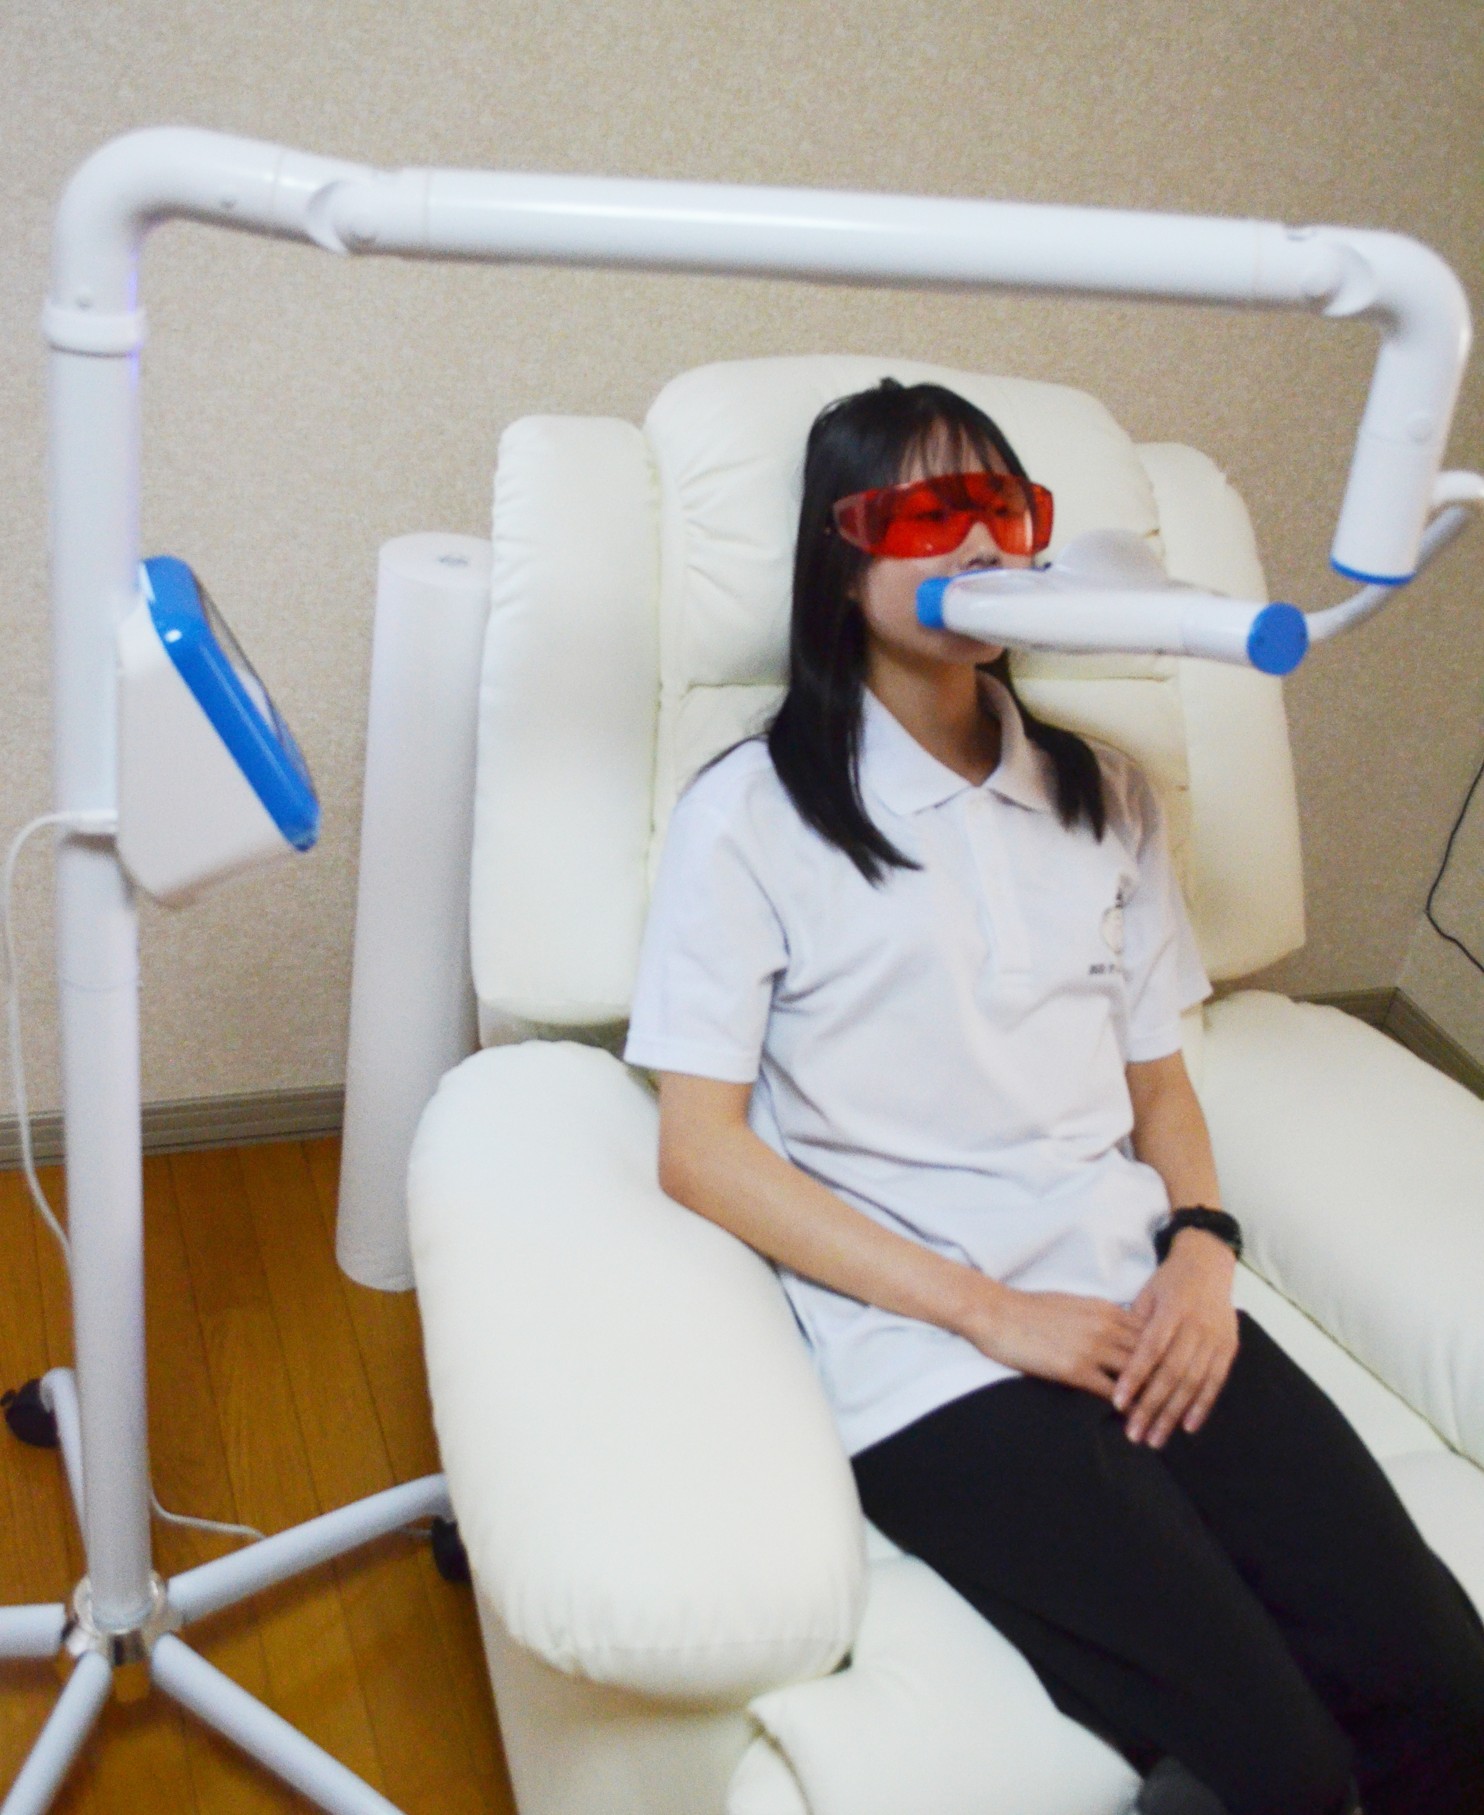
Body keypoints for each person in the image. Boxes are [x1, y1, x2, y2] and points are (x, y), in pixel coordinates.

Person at [622, 378, 1484, 1815]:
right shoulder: (751, 817)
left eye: (1003, 509)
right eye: (927, 512)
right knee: (1280, 1765)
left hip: (1141, 1298)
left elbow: (1162, 1084)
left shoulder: (1105, 795)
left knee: (1449, 1689)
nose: (977, 543)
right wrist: (986, 1311)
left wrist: (1202, 1250)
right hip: (933, 1355)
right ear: (842, 554)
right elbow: (699, 1151)